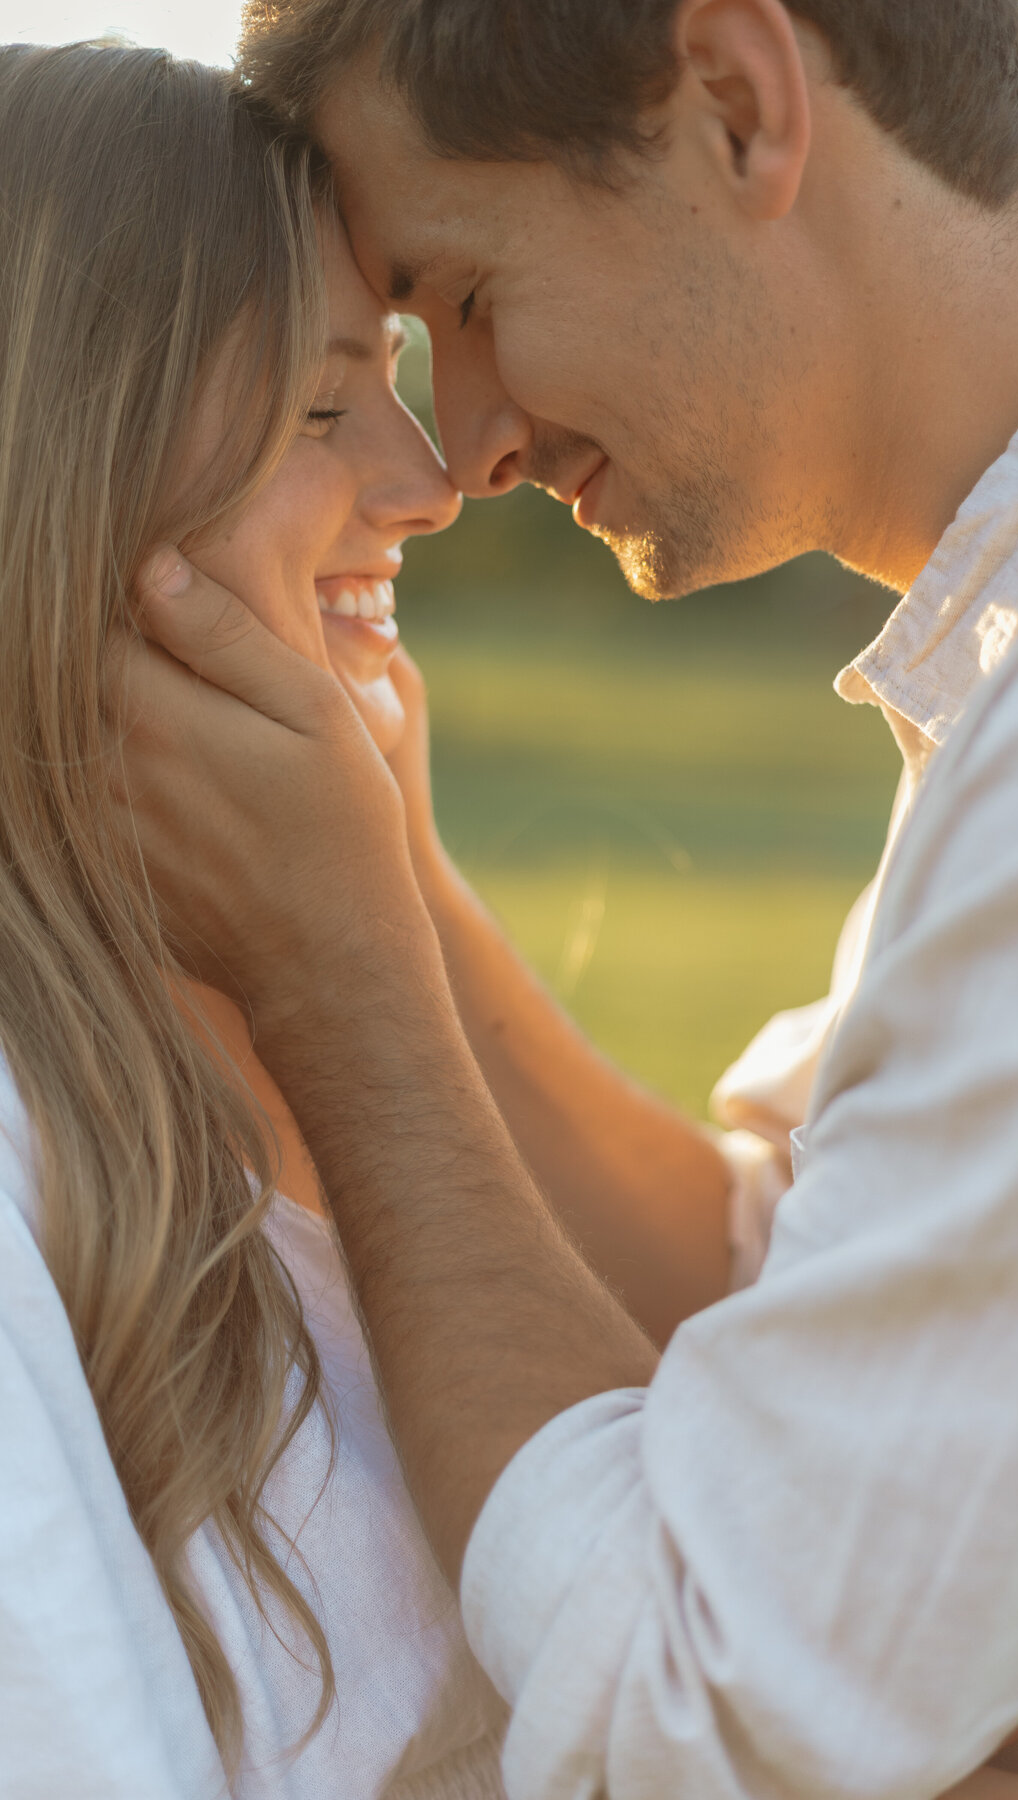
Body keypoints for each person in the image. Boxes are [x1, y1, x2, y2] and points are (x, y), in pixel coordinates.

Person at [116, 2, 1018, 1798]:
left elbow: (684, 1719)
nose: (467, 449)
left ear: (735, 101)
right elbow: (807, 1298)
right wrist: (396, 891)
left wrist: (341, 982)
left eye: (470, 296)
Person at [0, 40, 509, 1798]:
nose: (430, 482)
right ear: (69, 473)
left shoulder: (282, 1096)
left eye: (401, 382)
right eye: (321, 408)